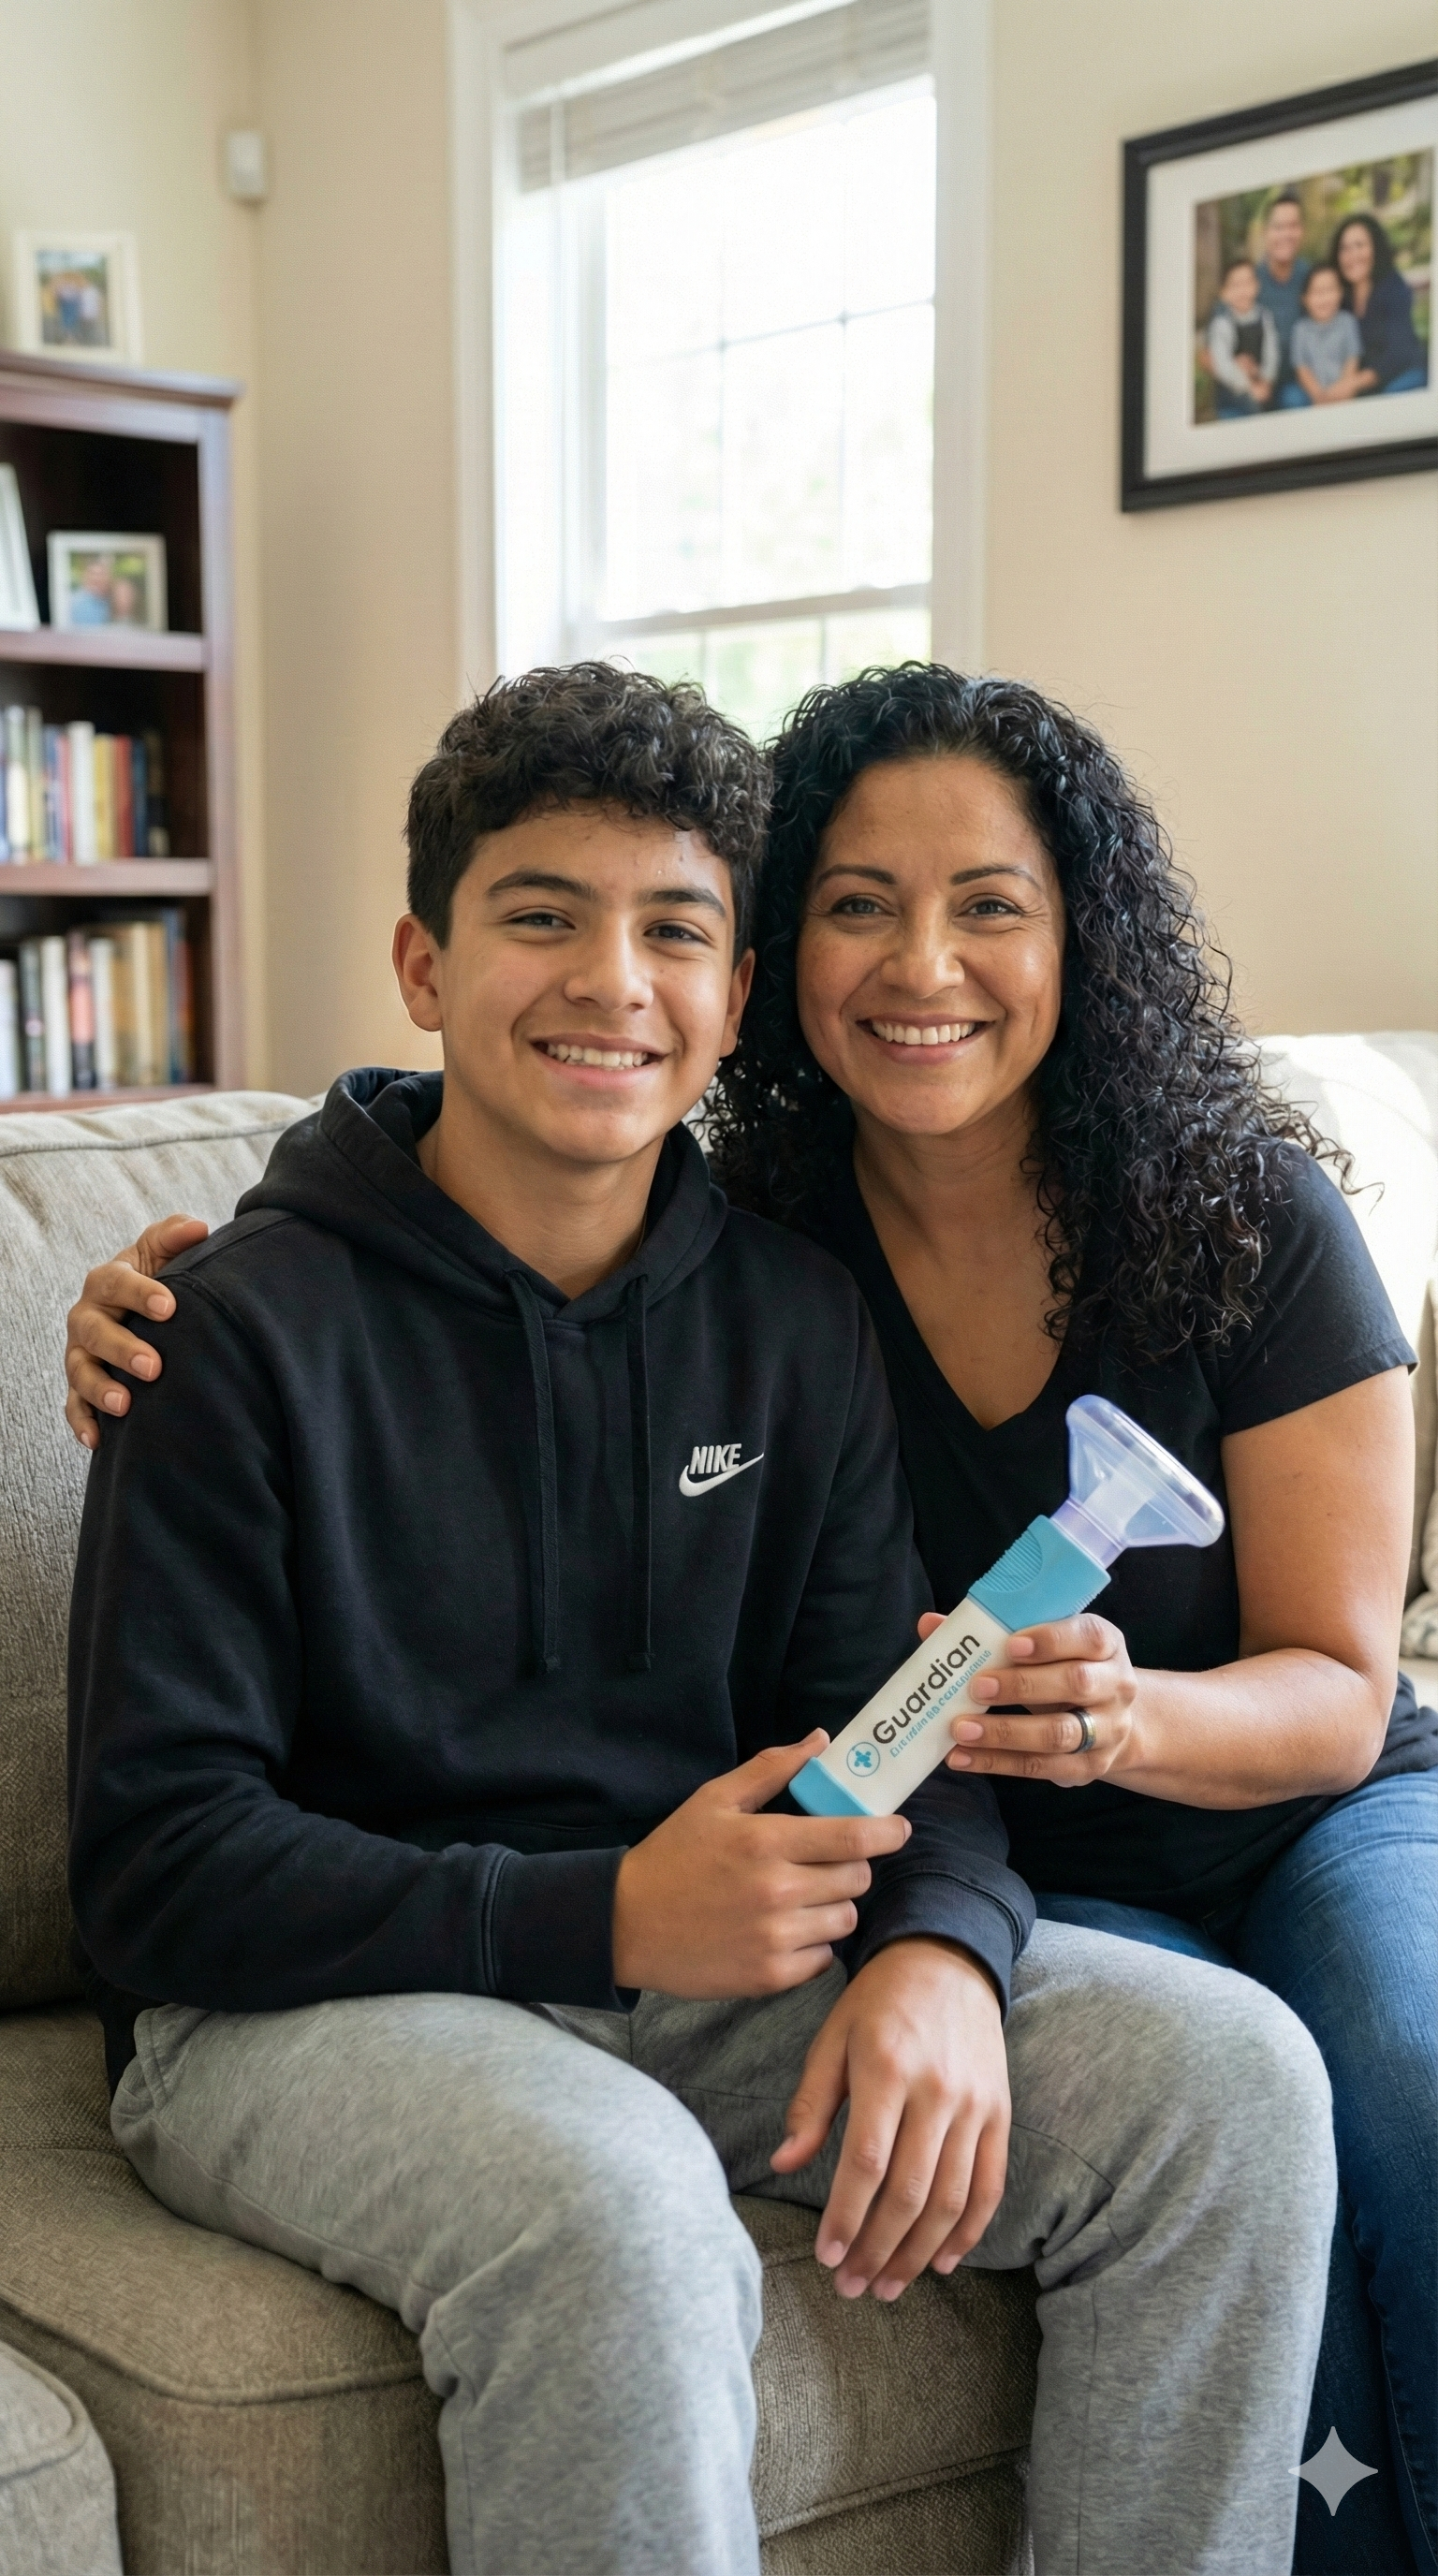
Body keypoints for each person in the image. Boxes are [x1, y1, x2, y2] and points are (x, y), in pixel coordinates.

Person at [63, 666, 1337, 2576]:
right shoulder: (229, 1331)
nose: (612, 980)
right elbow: (155, 1866)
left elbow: (892, 1699)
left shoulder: (789, 1309)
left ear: (738, 994)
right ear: (422, 962)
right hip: (304, 2006)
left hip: (711, 1975)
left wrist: (942, 1945)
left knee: (1225, 2077)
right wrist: (604, 1912)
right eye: (539, 915)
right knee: (624, 2203)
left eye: (674, 929)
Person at [704, 665, 1437, 2576]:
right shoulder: (745, 1249)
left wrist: (1135, 1719)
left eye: (989, 902)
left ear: (1080, 934)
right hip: (1011, 1863)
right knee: (1225, 2108)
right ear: (783, 941)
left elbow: (1344, 1689)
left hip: (1315, 1809)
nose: (919, 959)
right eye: (858, 900)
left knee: (1423, 2079)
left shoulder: (1253, 1214)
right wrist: (234, 1240)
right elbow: (470, 1151)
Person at [1334, 212, 1429, 396]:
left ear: (1375, 248)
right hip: (1360, 388)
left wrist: (1353, 383)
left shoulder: (1394, 288)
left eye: (1359, 245)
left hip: (1402, 376)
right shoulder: (1339, 297)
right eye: (1344, 248)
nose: (1352, 255)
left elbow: (1399, 352)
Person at [1282, 261, 1365, 407]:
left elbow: (1352, 359)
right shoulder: (1300, 329)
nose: (1324, 298)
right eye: (1317, 292)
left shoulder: (1347, 322)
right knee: (1291, 396)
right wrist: (1318, 395)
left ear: (1340, 293)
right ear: (1305, 298)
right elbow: (1302, 368)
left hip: (1342, 390)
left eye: (1330, 290)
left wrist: (1342, 390)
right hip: (1312, 394)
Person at [1205, 256, 1279, 417]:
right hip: (1233, 389)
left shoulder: (1264, 316)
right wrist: (1248, 387)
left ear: (1257, 286)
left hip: (1261, 383)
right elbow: (1222, 363)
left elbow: (1271, 351)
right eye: (1236, 285)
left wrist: (1266, 379)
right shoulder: (1222, 323)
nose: (1243, 291)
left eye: (1248, 283)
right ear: (1224, 293)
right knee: (1253, 409)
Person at [1255, 190, 1312, 391]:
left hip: (1300, 383)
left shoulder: (1312, 278)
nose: (1286, 235)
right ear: (1265, 232)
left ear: (1302, 230)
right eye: (1278, 227)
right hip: (1258, 383)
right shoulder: (1250, 281)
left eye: (1293, 226)